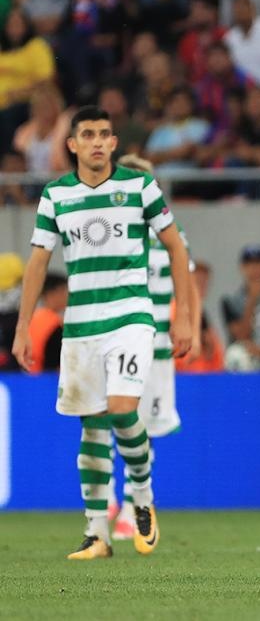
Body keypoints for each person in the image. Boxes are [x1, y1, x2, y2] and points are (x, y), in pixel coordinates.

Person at [11, 106, 194, 559]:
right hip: (81, 325)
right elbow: (38, 262)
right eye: (88, 134)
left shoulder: (140, 187)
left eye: (104, 134)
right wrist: (23, 326)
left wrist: (184, 317)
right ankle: (97, 534)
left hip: (130, 317)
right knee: (91, 426)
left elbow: (175, 247)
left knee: (121, 408)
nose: (96, 142)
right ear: (72, 144)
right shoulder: (56, 195)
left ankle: (142, 496)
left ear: (114, 143)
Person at [109, 154, 200, 540]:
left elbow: (188, 285)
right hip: (116, 339)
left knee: (142, 426)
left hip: (158, 346)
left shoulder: (171, 233)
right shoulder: (112, 232)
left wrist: (191, 326)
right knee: (111, 416)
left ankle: (133, 506)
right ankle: (113, 496)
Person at [176, 261, 224, 373]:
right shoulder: (175, 312)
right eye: (197, 282)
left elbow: (217, 359)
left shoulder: (205, 317)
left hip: (205, 376)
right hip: (182, 376)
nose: (201, 286)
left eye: (204, 282)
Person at [26, 272, 68, 373]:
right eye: (64, 291)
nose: (68, 296)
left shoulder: (31, 318)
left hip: (28, 375)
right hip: (47, 377)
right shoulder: (54, 324)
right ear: (53, 293)